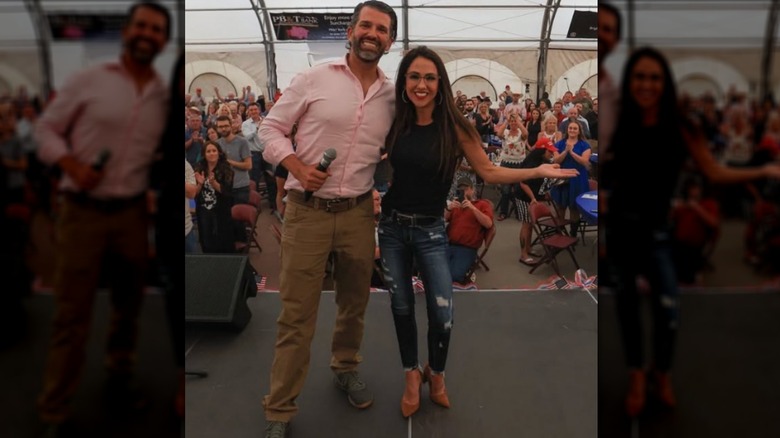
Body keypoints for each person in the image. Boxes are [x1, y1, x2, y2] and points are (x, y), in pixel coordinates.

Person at [378, 45, 578, 419]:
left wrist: (536, 171)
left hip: (432, 230)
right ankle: (410, 375)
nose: (421, 84)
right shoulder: (395, 121)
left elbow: (489, 172)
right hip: (391, 229)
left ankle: (435, 375)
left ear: (441, 84)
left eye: (429, 77)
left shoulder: (455, 127)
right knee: (401, 307)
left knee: (443, 312)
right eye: (414, 76)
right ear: (404, 81)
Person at [601, 47, 780, 418]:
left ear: (664, 82)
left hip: (658, 234)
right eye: (640, 77)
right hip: (621, 233)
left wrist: (762, 173)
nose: (647, 84)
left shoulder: (681, 126)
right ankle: (637, 375)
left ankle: (661, 374)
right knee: (628, 310)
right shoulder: (618, 124)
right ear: (630, 81)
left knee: (669, 307)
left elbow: (714, 172)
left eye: (654, 77)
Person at [257, 2, 397, 436]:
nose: (374, 34)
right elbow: (268, 130)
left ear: (390, 41)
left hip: (358, 214)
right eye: (367, 26)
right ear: (351, 31)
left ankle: (345, 367)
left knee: (354, 305)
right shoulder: (314, 78)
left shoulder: (393, 95)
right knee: (297, 316)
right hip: (307, 213)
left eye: (383, 29)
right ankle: (279, 409)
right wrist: (296, 168)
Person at [33, 1, 170, 435]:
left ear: (164, 41)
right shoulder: (89, 80)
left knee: (128, 308)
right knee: (72, 315)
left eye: (156, 29)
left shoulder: (163, 97)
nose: (148, 34)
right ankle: (54, 409)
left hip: (131, 215)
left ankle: (118, 379)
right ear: (127, 32)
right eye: (141, 26)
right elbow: (45, 131)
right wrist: (72, 167)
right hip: (82, 215)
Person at [444, 177, 494, 284]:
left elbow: (489, 224)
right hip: (448, 244)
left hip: (467, 247)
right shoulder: (455, 205)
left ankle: (465, 271)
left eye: (466, 189)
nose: (464, 192)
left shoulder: (482, 204)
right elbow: (443, 219)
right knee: (435, 272)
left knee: (454, 276)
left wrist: (473, 208)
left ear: (472, 190)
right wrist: (449, 209)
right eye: (460, 190)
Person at [193, 141, 235, 253]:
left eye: (214, 151)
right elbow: (195, 194)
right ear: (204, 154)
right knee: (206, 240)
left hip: (221, 210)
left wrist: (214, 183)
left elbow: (227, 192)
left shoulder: (226, 169)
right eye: (208, 151)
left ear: (219, 153)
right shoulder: (199, 168)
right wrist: (200, 184)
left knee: (222, 240)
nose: (211, 153)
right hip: (203, 211)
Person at [551, 121, 591, 237]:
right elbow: (556, 160)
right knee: (561, 206)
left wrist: (572, 152)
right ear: (567, 130)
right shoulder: (559, 144)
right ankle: (559, 232)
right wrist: (565, 151)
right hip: (562, 178)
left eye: (575, 128)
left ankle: (573, 235)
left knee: (574, 208)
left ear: (579, 131)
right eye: (570, 128)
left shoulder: (585, 145)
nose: (572, 130)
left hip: (578, 179)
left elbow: (585, 162)